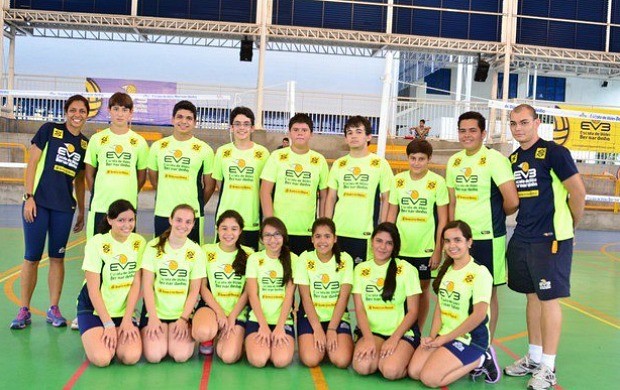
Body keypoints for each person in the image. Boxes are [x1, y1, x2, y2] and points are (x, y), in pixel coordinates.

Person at [504, 104, 586, 390]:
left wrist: (570, 228)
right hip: (524, 237)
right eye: (513, 123)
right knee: (532, 298)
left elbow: (578, 192)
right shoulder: (514, 158)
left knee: (549, 300)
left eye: (524, 122)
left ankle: (548, 368)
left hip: (551, 239)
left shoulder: (555, 153)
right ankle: (534, 357)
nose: (518, 128)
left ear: (537, 123)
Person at [11, 95, 90, 330]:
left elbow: (79, 181)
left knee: (57, 258)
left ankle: (53, 308)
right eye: (73, 110)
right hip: (39, 204)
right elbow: (32, 163)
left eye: (82, 111)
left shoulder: (85, 144)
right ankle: (24, 309)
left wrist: (82, 208)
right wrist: (29, 197)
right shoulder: (49, 130)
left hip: (64, 208)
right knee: (32, 257)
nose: (77, 115)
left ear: (87, 115)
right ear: (66, 112)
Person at [445, 111, 518, 343]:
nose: (467, 135)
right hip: (459, 240)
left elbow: (513, 201)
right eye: (463, 130)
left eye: (472, 130)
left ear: (483, 133)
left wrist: (497, 216)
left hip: (488, 237)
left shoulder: (495, 159)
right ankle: (460, 341)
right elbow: (452, 202)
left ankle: (484, 347)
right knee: (459, 290)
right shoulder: (454, 161)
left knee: (487, 294)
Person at [408, 220, 498, 387]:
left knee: (429, 378)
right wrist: (433, 337)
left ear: (469, 242)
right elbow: (440, 309)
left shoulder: (480, 273)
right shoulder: (447, 271)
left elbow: (479, 315)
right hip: (445, 335)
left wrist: (445, 339)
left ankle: (482, 359)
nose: (452, 245)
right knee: (414, 372)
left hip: (470, 340)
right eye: (447, 241)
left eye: (457, 240)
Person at [387, 139, 448, 331]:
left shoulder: (437, 182)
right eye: (413, 158)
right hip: (401, 247)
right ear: (407, 158)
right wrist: (389, 246)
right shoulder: (398, 181)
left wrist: (438, 249)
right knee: (400, 290)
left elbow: (443, 220)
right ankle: (397, 329)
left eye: (421, 159)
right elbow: (391, 215)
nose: (416, 163)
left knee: (422, 290)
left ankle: (417, 333)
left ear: (429, 159)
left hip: (425, 248)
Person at [76, 199, 145, 367]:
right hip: (94, 309)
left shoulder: (139, 242)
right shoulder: (97, 243)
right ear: (110, 220)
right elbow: (93, 290)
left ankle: (107, 337)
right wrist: (108, 324)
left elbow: (137, 283)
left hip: (122, 311)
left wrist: (127, 319)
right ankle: (96, 338)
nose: (127, 225)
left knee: (131, 356)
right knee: (102, 359)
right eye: (121, 220)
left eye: (131, 220)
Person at [351, 222, 421, 380]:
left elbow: (413, 312)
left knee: (390, 371)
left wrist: (394, 339)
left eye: (389, 243)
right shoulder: (360, 269)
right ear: (372, 242)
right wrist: (368, 339)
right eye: (379, 241)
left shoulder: (407, 270)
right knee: (362, 366)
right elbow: (359, 309)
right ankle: (381, 355)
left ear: (394, 246)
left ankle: (404, 357)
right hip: (373, 333)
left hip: (401, 333)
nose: (383, 247)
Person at [140, 204, 206, 363]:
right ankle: (158, 330)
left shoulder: (196, 251)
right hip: (156, 313)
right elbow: (147, 285)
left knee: (180, 356)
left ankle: (182, 333)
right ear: (170, 220)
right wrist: (153, 318)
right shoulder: (153, 247)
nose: (183, 225)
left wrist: (184, 319)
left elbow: (194, 290)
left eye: (188, 222)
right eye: (179, 220)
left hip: (181, 315)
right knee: (154, 356)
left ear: (193, 224)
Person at [325, 115, 393, 264]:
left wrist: (382, 228)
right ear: (345, 138)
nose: (353, 136)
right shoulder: (339, 164)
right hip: (339, 231)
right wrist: (327, 228)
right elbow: (330, 198)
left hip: (365, 234)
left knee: (361, 280)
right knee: (339, 279)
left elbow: (387, 199)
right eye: (349, 132)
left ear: (368, 136)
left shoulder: (379, 164)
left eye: (358, 131)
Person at [147, 100, 215, 245]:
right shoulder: (158, 147)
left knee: (191, 258)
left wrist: (197, 205)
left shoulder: (204, 149)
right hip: (163, 212)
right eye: (180, 117)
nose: (184, 121)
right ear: (172, 119)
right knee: (160, 256)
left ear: (195, 122)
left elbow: (209, 186)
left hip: (192, 215)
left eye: (189, 118)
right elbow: (153, 178)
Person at [260, 113, 329, 255]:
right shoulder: (277, 157)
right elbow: (265, 192)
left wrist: (322, 227)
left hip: (307, 230)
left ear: (311, 134)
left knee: (301, 275)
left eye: (304, 130)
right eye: (296, 130)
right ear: (290, 133)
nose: (300, 133)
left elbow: (324, 196)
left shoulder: (319, 160)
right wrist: (270, 223)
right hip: (280, 230)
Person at [85, 92, 149, 239]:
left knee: (122, 256)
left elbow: (141, 177)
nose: (120, 114)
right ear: (109, 110)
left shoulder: (139, 142)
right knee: (96, 255)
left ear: (131, 113)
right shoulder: (97, 139)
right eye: (116, 109)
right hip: (101, 207)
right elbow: (89, 174)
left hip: (127, 209)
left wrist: (128, 192)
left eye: (124, 110)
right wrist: (98, 194)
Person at [192, 210, 253, 362]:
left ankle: (234, 337)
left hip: (237, 311)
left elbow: (247, 291)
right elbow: (203, 287)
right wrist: (219, 312)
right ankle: (210, 335)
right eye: (224, 228)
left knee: (228, 356)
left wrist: (232, 316)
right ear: (217, 229)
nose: (228, 233)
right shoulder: (206, 251)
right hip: (211, 308)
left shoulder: (249, 254)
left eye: (234, 229)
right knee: (202, 332)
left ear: (240, 231)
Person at [295, 218, 354, 368]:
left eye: (327, 236)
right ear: (312, 239)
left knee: (342, 360)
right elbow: (305, 297)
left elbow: (343, 297)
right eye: (318, 236)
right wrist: (317, 329)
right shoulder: (305, 258)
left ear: (335, 238)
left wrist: (332, 328)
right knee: (311, 359)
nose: (323, 241)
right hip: (311, 316)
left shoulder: (345, 259)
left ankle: (333, 343)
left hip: (336, 316)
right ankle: (321, 345)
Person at [212, 107, 269, 250]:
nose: (241, 128)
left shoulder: (262, 153)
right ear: (231, 127)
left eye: (246, 124)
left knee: (248, 266)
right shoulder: (222, 152)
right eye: (237, 124)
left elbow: (265, 188)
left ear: (252, 128)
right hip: (225, 219)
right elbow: (220, 184)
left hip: (251, 220)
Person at [244, 217, 297, 368]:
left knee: (281, 361)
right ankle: (247, 342)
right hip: (258, 319)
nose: (272, 239)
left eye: (277, 234)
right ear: (261, 239)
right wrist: (263, 325)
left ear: (284, 237)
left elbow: (289, 297)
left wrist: (280, 326)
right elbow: (252, 295)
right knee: (258, 360)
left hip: (283, 321)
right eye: (267, 235)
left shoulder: (293, 259)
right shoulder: (255, 259)